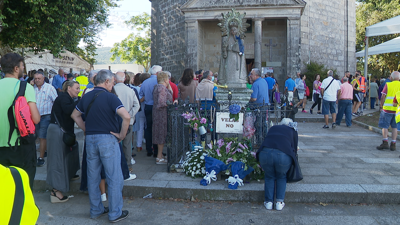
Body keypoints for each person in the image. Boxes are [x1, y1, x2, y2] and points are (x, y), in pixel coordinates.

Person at [72, 69, 130, 222]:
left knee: (93, 176)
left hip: (90, 139)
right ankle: (115, 212)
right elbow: (126, 116)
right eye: (112, 82)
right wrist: (122, 135)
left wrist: (86, 129)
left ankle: (96, 209)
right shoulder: (111, 98)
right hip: (107, 139)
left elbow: (75, 115)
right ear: (106, 82)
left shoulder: (87, 96)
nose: (113, 85)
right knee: (114, 177)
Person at [0, 53, 40, 188]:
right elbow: (35, 118)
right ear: (16, 68)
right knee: (23, 187)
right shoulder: (24, 87)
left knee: (4, 189)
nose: (23, 68)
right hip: (20, 146)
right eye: (22, 65)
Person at [46, 80, 80, 203]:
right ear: (69, 88)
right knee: (57, 161)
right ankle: (55, 192)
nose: (78, 90)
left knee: (63, 158)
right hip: (57, 132)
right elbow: (68, 111)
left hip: (60, 132)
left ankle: (61, 185)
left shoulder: (66, 98)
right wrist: (80, 101)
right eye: (77, 88)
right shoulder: (63, 97)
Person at [257, 118, 298, 211]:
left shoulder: (273, 128)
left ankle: (268, 202)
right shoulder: (292, 130)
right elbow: (294, 148)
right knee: (281, 176)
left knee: (269, 176)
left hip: (265, 153)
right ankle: (279, 202)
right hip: (283, 154)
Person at [114, 71, 140, 172]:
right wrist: (129, 115)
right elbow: (137, 105)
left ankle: (116, 164)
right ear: (124, 79)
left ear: (115, 79)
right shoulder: (130, 90)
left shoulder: (112, 90)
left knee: (115, 143)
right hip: (128, 121)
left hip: (115, 120)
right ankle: (128, 165)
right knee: (127, 143)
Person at [33, 71, 58, 167]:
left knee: (42, 136)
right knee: (38, 136)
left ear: (43, 78)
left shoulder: (49, 88)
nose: (37, 80)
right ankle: (44, 150)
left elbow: (56, 101)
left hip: (46, 115)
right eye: (35, 78)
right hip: (35, 116)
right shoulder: (33, 89)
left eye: (39, 78)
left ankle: (41, 157)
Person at [140, 65, 162, 157]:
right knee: (157, 129)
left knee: (148, 128)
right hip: (157, 107)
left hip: (148, 106)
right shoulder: (159, 81)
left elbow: (141, 95)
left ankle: (149, 149)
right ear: (158, 73)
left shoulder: (145, 82)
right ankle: (156, 150)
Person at [152, 72, 174, 164]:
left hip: (158, 114)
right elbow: (161, 102)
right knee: (161, 134)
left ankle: (160, 155)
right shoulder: (161, 88)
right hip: (161, 115)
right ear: (165, 80)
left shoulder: (157, 87)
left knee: (159, 134)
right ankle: (159, 156)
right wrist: (170, 104)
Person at [377, 71, 400, 151]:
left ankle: (385, 142)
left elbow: (383, 96)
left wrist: (381, 105)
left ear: (392, 78)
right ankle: (393, 144)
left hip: (387, 109)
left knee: (385, 126)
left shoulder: (388, 84)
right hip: (397, 110)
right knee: (395, 127)